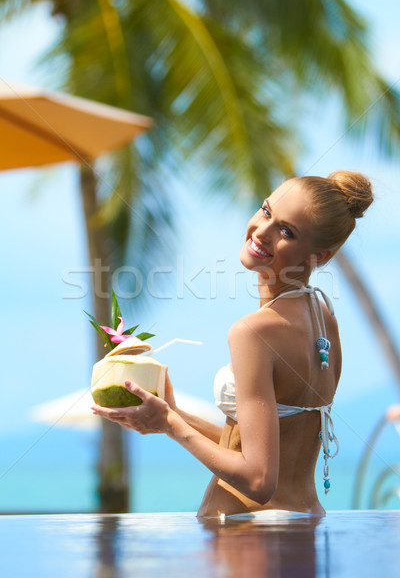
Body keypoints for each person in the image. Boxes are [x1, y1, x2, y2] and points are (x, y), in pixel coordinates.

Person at [92, 170, 374, 517]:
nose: (262, 231)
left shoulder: (254, 332)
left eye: (286, 231)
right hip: (302, 527)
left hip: (249, 537)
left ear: (319, 257)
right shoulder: (323, 317)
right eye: (266, 211)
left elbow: (258, 481)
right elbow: (261, 447)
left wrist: (170, 425)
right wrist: (175, 415)